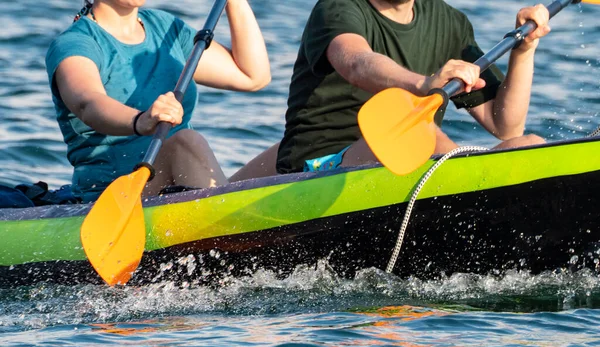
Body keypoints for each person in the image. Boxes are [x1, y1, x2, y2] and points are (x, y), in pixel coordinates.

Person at [264, 0, 550, 175]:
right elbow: (357, 63)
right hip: (317, 172)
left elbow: (505, 125)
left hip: (410, 163)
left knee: (531, 146)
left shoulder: (449, 22)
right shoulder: (338, 8)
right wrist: (423, 84)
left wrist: (523, 51)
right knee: (418, 130)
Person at [45, 0, 270, 202]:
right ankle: (230, 229)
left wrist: (235, 2)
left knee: (291, 149)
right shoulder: (75, 43)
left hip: (181, 186)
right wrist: (140, 120)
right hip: (114, 199)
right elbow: (87, 102)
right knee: (186, 141)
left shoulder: (165, 28)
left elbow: (252, 77)